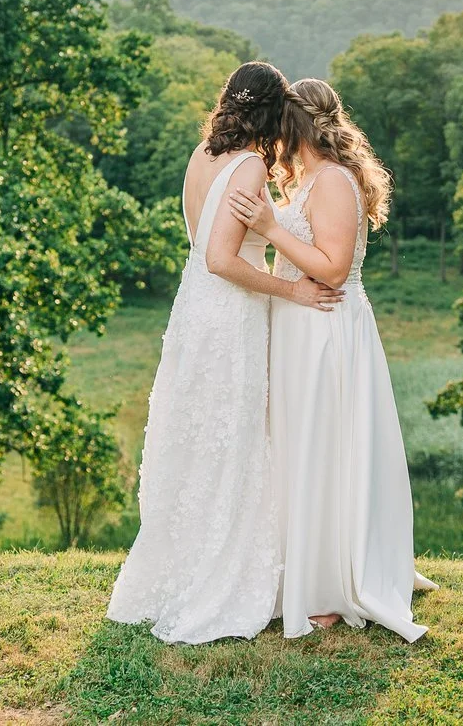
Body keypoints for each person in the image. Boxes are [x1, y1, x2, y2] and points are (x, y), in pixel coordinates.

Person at [105, 62, 343, 644]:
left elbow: (199, 247)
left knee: (200, 440)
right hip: (229, 314)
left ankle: (185, 569)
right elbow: (222, 258)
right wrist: (292, 289)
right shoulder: (250, 167)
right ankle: (219, 577)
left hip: (193, 313)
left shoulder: (200, 155)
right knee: (231, 441)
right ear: (269, 113)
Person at [231, 76, 434, 641]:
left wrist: (269, 226)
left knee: (326, 449)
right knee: (300, 449)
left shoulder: (337, 183)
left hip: (327, 332)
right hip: (299, 328)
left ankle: (331, 584)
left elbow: (334, 267)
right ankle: (299, 569)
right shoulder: (310, 181)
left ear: (297, 125)